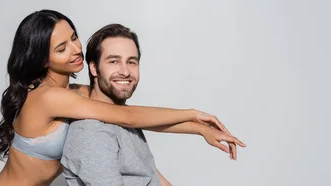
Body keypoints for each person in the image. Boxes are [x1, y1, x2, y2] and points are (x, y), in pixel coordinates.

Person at [0, 9, 246, 186]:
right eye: (61, 48)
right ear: (42, 58)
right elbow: (128, 116)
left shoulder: (75, 93)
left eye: (74, 37)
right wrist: (193, 113)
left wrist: (201, 129)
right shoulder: (48, 97)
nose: (76, 49)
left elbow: (134, 116)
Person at [61, 23, 241, 186]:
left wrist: (202, 129)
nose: (125, 72)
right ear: (93, 68)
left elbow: (150, 175)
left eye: (131, 62)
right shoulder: (92, 133)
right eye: (113, 61)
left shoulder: (123, 118)